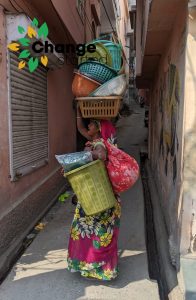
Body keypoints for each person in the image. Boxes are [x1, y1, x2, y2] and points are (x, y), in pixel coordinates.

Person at [67, 105, 121, 281]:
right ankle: (92, 267)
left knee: (97, 233)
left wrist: (86, 156)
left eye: (91, 124)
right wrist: (78, 111)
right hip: (95, 194)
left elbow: (102, 155)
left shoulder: (99, 144)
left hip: (100, 196)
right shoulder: (94, 140)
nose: (87, 126)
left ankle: (99, 269)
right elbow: (80, 128)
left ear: (98, 128)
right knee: (93, 233)